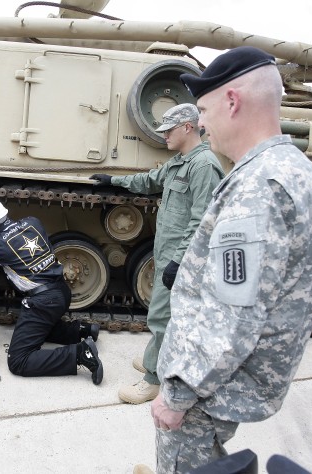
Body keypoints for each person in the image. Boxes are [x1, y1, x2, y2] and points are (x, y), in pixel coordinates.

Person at [149, 46, 312, 473]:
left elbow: (229, 314)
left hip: (208, 389)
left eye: (204, 110)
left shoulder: (258, 188)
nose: (202, 124)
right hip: (236, 378)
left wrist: (177, 393)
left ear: (231, 101)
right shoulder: (303, 172)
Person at [90, 103, 224, 404]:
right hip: (168, 253)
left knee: (163, 316)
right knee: (163, 314)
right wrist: (115, 181)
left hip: (182, 257)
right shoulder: (181, 161)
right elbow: (149, 180)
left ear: (188, 127)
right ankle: (160, 358)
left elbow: (202, 220)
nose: (164, 136)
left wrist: (179, 260)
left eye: (169, 130)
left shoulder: (203, 166)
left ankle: (153, 379)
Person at [0, 198, 103, 385]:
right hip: (62, 291)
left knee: (18, 361)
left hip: (44, 302)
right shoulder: (32, 221)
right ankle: (82, 330)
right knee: (37, 330)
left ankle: (81, 354)